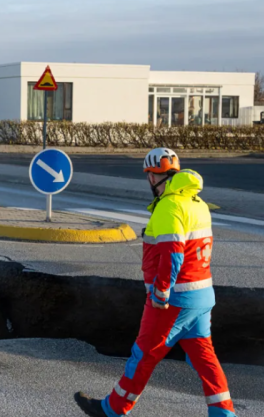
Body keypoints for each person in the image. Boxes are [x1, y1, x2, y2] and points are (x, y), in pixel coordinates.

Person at [74, 148, 237, 417]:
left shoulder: (169, 206)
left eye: (148, 175)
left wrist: (161, 292)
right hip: (202, 294)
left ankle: (112, 409)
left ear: (153, 177)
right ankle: (224, 413)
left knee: (144, 354)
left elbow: (172, 254)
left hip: (175, 298)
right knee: (204, 357)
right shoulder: (197, 204)